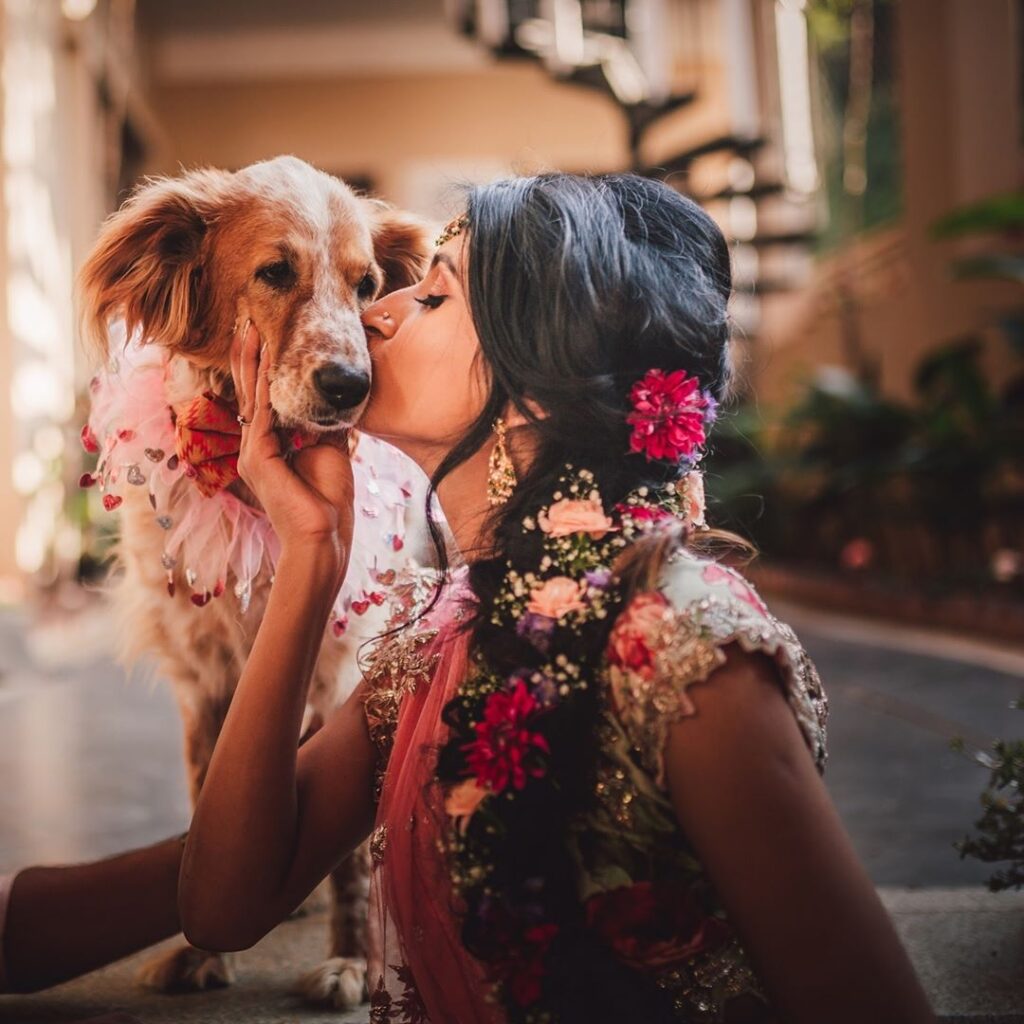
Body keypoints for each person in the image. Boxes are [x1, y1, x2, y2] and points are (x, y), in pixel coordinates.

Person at [0, 173, 935, 1024]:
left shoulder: (685, 657)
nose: (370, 314)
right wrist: (310, 555)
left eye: (432, 294)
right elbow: (221, 903)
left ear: (533, 387)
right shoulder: (449, 631)